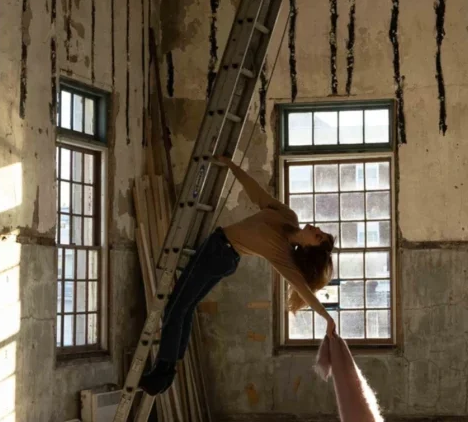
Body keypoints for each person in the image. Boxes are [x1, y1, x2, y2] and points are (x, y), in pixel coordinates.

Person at [138, 155, 336, 395]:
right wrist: (233, 167)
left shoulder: (283, 255)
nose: (315, 229)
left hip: (219, 254)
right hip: (222, 255)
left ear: (307, 248)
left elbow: (304, 289)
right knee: (185, 307)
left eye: (317, 236)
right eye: (320, 231)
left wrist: (327, 318)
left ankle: (163, 372)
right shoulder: (288, 216)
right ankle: (169, 367)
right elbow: (257, 194)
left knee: (176, 307)